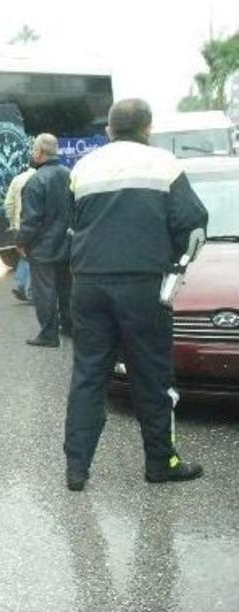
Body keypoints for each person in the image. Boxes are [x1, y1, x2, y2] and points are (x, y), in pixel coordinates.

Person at [64, 99, 209, 491]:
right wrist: (174, 268)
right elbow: (194, 228)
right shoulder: (163, 164)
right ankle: (161, 463)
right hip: (142, 285)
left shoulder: (83, 167)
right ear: (148, 127)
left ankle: (76, 470)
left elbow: (70, 225)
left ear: (109, 130)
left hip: (88, 284)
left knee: (88, 375)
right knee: (152, 375)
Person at [16, 133, 73, 348]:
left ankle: (49, 334)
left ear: (40, 153)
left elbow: (30, 219)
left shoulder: (36, 181)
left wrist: (21, 242)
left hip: (42, 248)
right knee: (66, 289)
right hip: (66, 244)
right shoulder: (69, 175)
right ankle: (69, 326)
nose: (32, 153)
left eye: (33, 150)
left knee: (45, 292)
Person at [3, 162, 36, 302]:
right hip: (34, 225)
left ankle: (21, 286)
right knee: (34, 258)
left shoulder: (17, 179)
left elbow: (8, 204)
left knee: (24, 255)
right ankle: (30, 293)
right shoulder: (41, 177)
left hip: (18, 225)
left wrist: (12, 223)